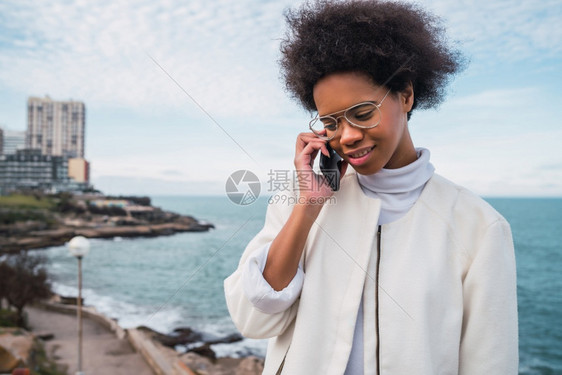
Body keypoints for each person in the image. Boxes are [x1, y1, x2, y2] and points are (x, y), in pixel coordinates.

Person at [224, 1, 518, 374]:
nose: (347, 136)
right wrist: (308, 208)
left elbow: (490, 363)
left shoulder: (479, 227)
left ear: (406, 95)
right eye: (331, 123)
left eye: (363, 113)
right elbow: (253, 319)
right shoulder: (300, 202)